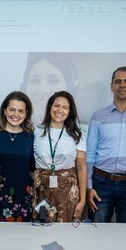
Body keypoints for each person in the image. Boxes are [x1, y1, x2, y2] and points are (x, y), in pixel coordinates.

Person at [86, 67, 126, 223]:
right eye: (118, 81)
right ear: (112, 86)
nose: (122, 85)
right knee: (96, 234)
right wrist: (89, 186)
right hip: (100, 184)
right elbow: (90, 153)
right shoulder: (98, 116)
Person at [32, 91, 87, 222]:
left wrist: (83, 200)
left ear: (70, 111)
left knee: (67, 233)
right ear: (50, 107)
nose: (59, 110)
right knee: (41, 231)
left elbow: (81, 168)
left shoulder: (77, 134)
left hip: (68, 191)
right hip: (42, 189)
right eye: (56, 105)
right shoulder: (37, 131)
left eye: (65, 107)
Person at [0, 91, 35, 222]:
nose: (16, 115)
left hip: (23, 199)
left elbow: (33, 168)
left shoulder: (31, 136)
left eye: (21, 111)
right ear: (4, 110)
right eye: (12, 110)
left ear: (26, 114)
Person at [20, 53, 79, 128]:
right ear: (24, 88)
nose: (43, 90)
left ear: (71, 89)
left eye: (54, 81)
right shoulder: (16, 130)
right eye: (35, 81)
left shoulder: (81, 133)